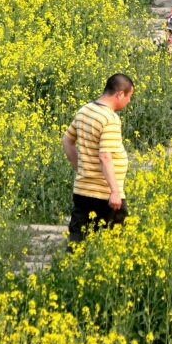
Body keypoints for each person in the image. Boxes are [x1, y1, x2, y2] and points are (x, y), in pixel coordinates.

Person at [62, 73, 135, 242]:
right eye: (129, 97)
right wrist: (115, 191)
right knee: (115, 244)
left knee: (77, 243)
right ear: (120, 94)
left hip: (82, 190)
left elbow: (66, 141)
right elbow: (105, 156)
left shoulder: (85, 110)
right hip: (105, 195)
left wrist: (81, 169)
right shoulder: (110, 119)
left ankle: (70, 269)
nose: (129, 102)